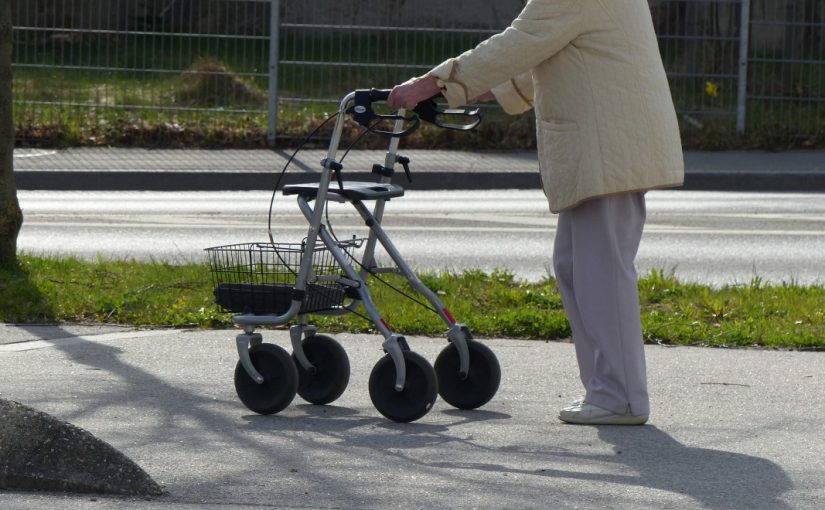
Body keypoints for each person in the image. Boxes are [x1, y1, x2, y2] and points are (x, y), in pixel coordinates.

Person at [387, 0, 684, 425]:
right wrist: (485, 88)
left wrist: (433, 83)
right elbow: (546, 50)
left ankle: (621, 397)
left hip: (606, 145)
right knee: (575, 268)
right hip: (604, 145)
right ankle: (607, 391)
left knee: (599, 274)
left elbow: (522, 40)